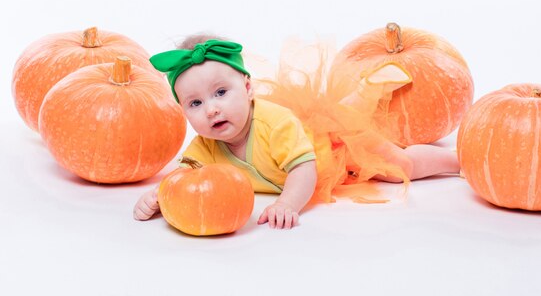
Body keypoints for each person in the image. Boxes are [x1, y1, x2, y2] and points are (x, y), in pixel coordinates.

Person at [133, 35, 460, 229]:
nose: (211, 109)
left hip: (336, 145)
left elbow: (304, 167)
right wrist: (159, 197)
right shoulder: (206, 146)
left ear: (248, 88)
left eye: (221, 93)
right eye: (195, 103)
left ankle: (454, 160)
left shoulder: (273, 123)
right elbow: (184, 176)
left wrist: (288, 204)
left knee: (398, 167)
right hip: (319, 156)